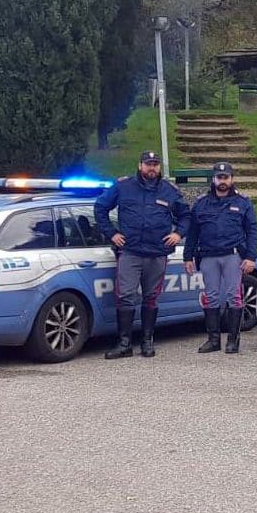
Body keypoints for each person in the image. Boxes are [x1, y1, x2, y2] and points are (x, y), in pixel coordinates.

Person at [94, 150, 189, 359]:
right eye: (148, 164)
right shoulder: (123, 186)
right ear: (140, 166)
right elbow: (100, 208)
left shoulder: (169, 190)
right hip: (130, 252)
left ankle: (147, 342)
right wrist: (112, 233)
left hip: (157, 253)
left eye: (155, 164)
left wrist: (178, 233)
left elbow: (186, 216)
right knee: (125, 296)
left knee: (151, 298)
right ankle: (124, 344)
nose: (152, 168)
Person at [184, 161, 257, 354]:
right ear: (214, 179)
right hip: (208, 256)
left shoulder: (242, 202)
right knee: (211, 297)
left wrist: (250, 257)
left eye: (226, 177)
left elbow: (252, 230)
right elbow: (192, 232)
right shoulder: (201, 203)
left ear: (231, 179)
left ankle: (233, 341)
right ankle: (213, 340)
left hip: (232, 255)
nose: (222, 181)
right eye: (219, 177)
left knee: (234, 297)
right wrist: (188, 256)